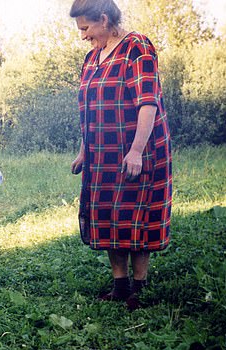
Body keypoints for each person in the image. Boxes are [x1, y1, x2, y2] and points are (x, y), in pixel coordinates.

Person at [69, 0, 172, 310]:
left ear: (103, 19)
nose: (83, 36)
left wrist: (137, 150)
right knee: (109, 217)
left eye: (86, 28)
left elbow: (147, 101)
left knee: (137, 216)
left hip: (136, 151)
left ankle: (139, 286)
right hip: (102, 154)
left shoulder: (136, 47)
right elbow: (90, 110)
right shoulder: (91, 59)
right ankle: (119, 284)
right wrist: (84, 151)